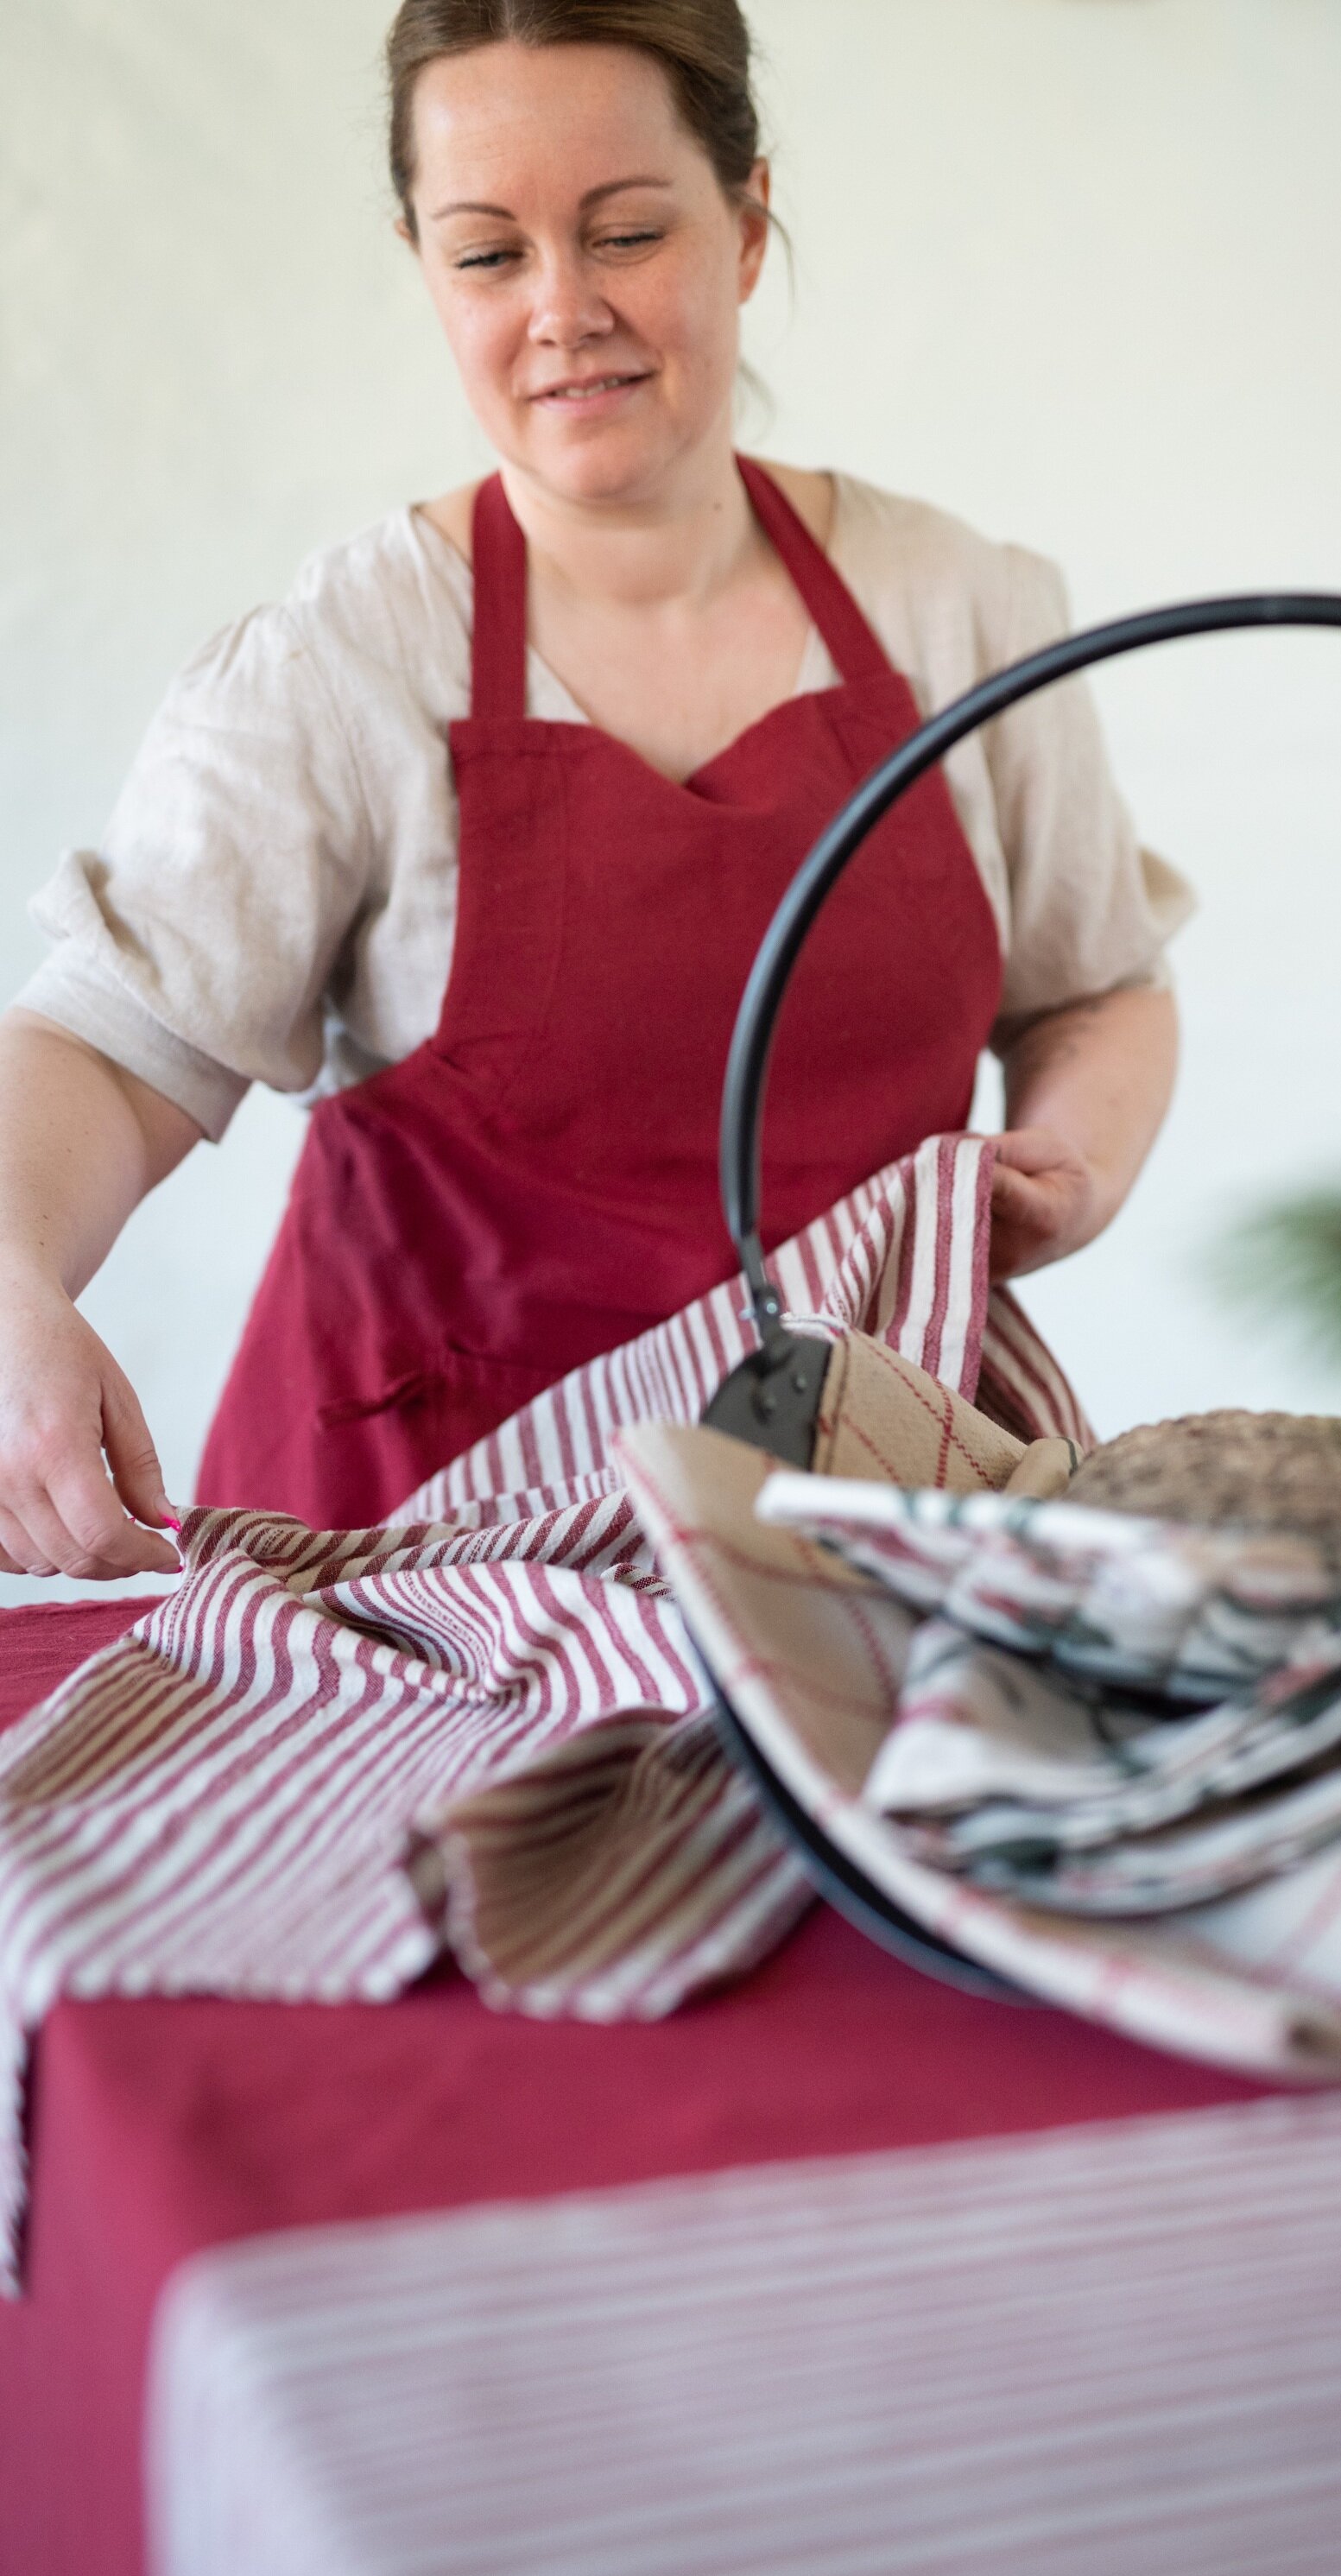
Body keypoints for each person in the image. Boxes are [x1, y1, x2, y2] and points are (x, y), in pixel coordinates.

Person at [0, 0, 1187, 1581]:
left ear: (747, 224)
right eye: (490, 254)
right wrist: (12, 1277)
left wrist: (1076, 1159)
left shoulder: (963, 613)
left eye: (625, 232)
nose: (563, 310)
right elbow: (107, 1046)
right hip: (421, 1568)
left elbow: (1098, 986)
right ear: (424, 262)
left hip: (856, 1533)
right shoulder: (342, 665)